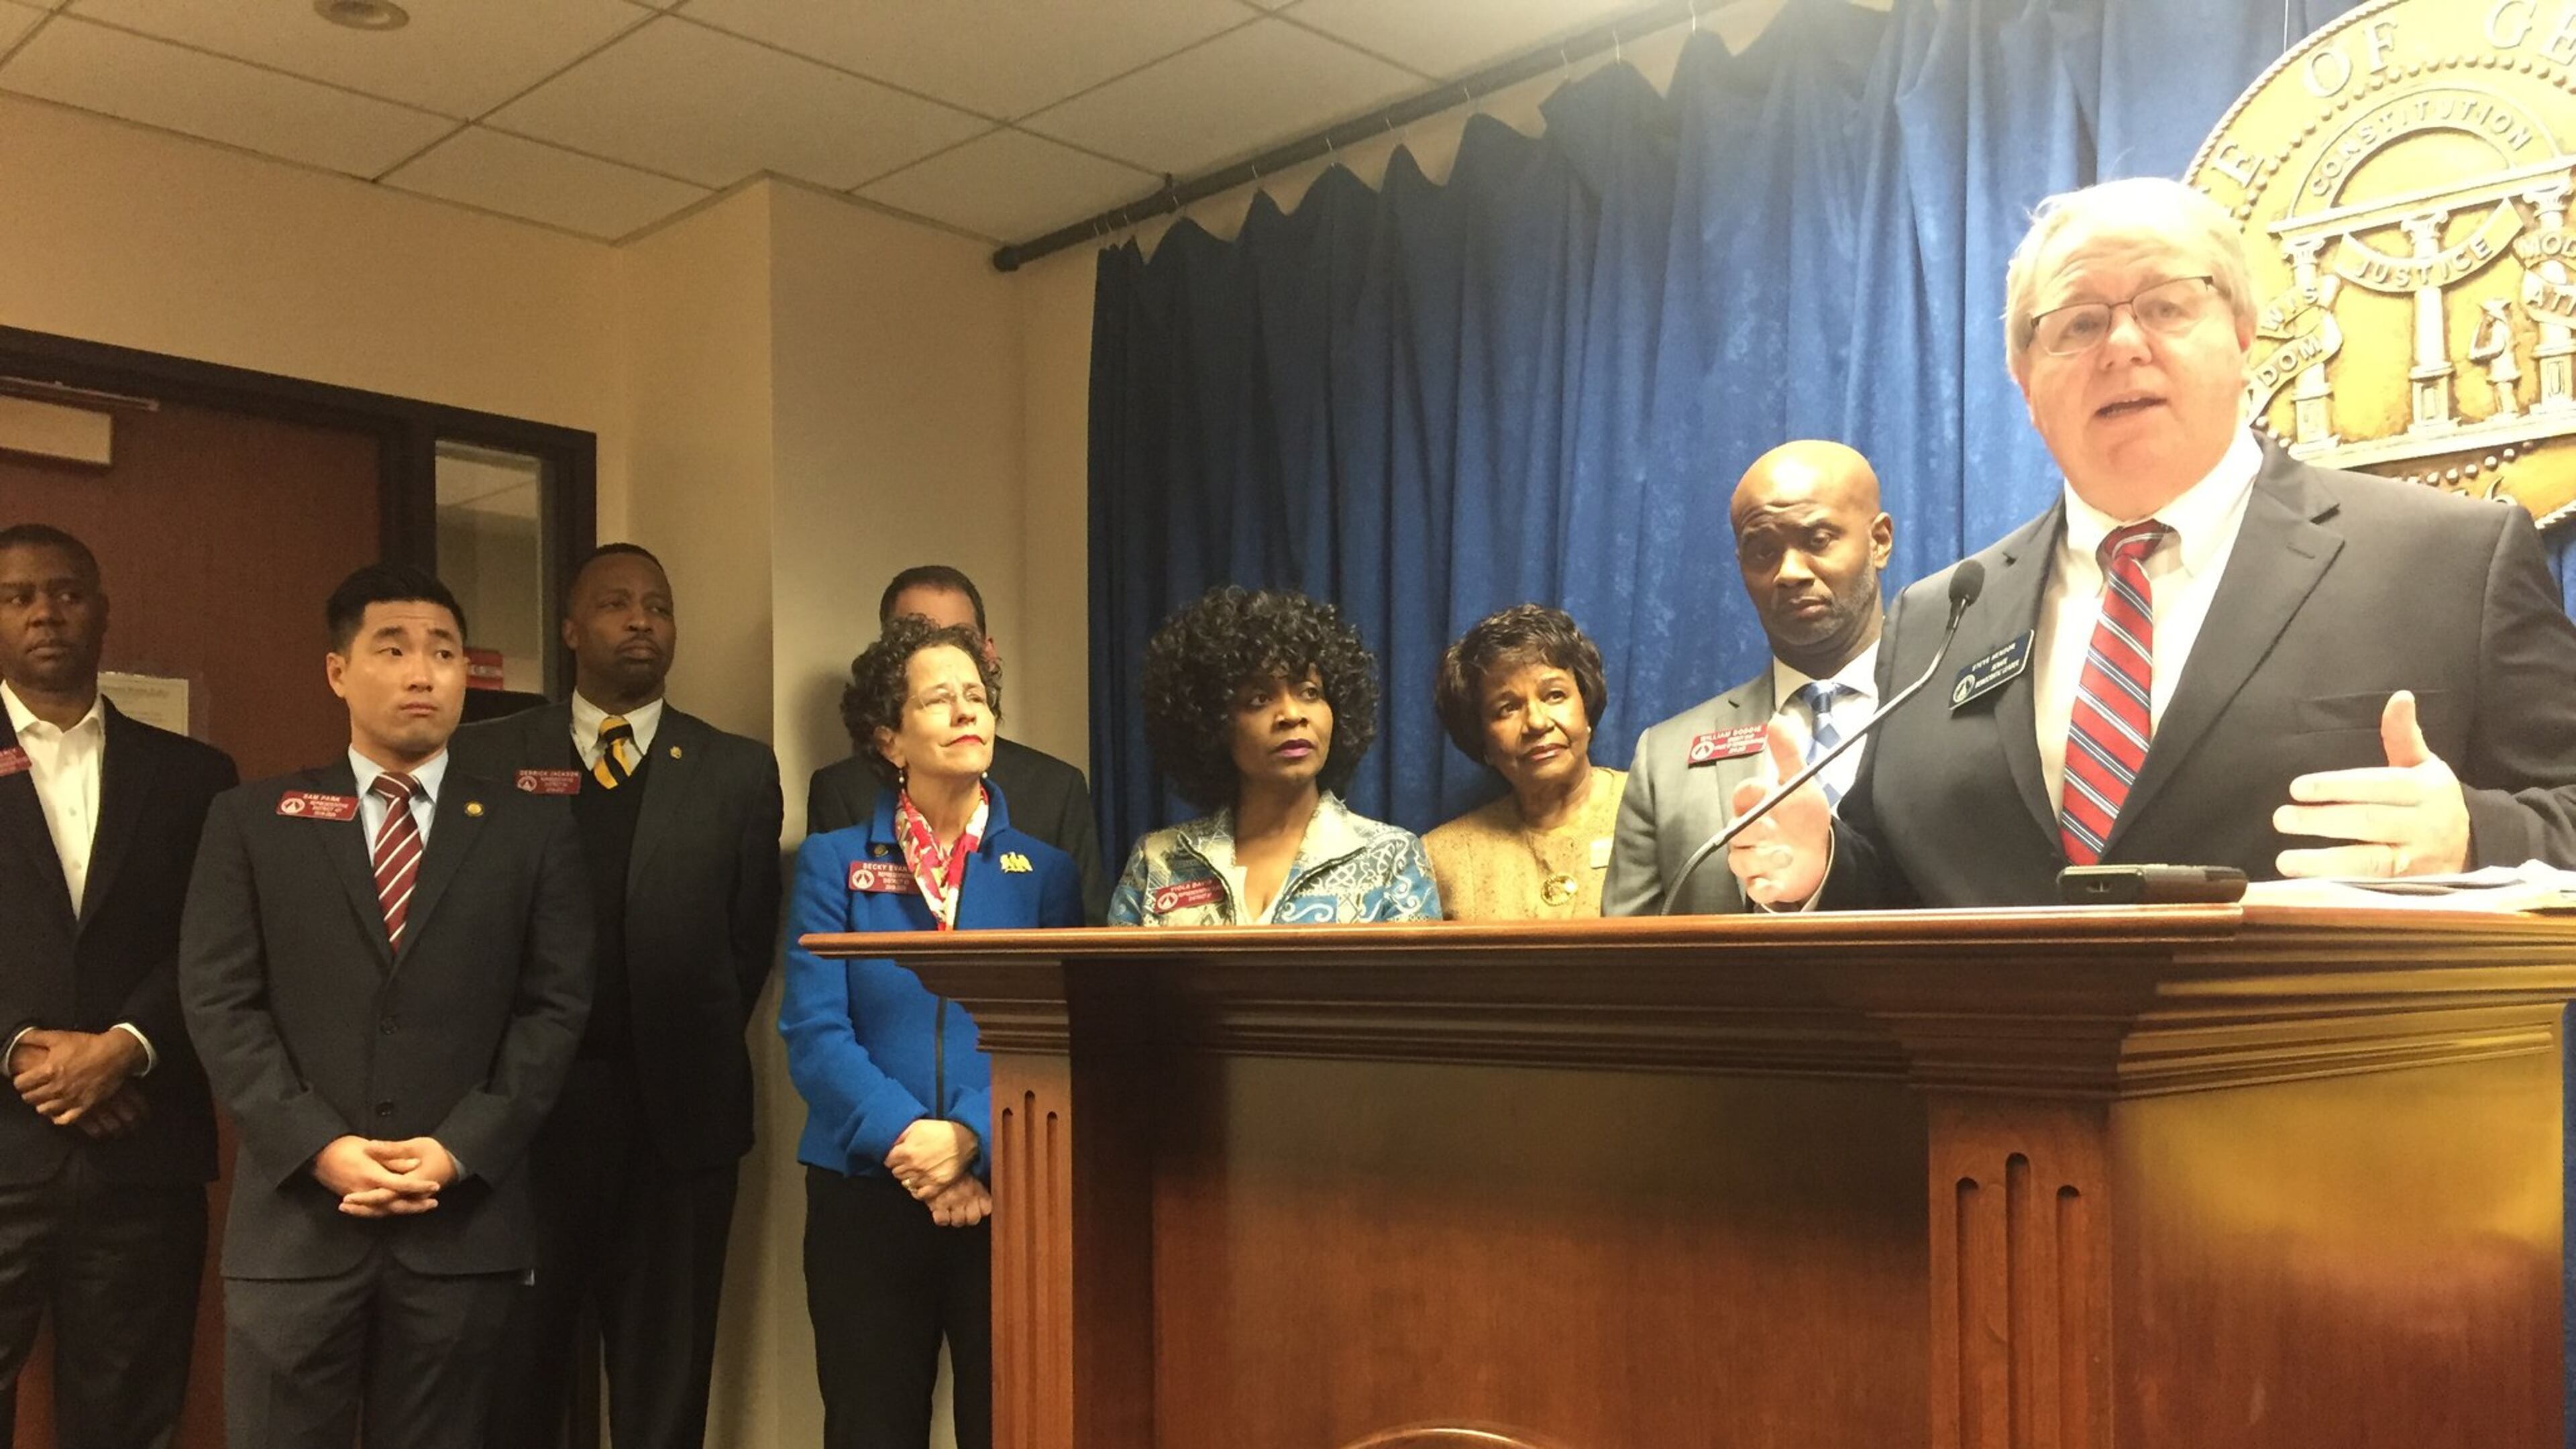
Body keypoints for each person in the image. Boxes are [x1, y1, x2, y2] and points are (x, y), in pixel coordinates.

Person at [1725, 177, 2576, 912]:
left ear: (2244, 336)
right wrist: (1825, 864)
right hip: (2007, 1097)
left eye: (2168, 306)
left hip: (2339, 1092)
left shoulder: (2450, 562)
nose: (2124, 345)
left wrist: (2474, 837)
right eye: (2077, 323)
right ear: (2024, 381)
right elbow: (1917, 884)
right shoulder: (1941, 613)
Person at [178, 564, 592, 1449]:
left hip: (463, 1228)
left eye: (444, 653)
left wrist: (458, 1151)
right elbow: (219, 1000)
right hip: (296, 1229)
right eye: (393, 649)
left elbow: (555, 1006)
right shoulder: (253, 820)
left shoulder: (529, 829)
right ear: (338, 671)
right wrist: (317, 1146)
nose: (423, 673)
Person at [460, 544, 783, 1449]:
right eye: (615, 604)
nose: (641, 621)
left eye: (659, 606)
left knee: (664, 1379)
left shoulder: (734, 770)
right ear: (571, 629)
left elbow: (745, 946)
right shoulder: (485, 757)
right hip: (524, 1125)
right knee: (517, 1373)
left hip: (676, 1123)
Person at [779, 615, 1081, 1449]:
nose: (967, 713)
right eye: (940, 699)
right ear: (889, 737)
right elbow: (813, 1029)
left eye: (978, 697)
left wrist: (972, 1140)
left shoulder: (1046, 873)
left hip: (1011, 1189)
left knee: (1015, 1426)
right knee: (871, 1425)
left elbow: (1058, 1038)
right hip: (865, 1191)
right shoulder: (832, 861)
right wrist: (913, 1143)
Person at [0, 525, 235, 1449]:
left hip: (143, 1157)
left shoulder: (193, 777)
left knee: (130, 1422)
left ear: (102, 609)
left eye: (64, 591)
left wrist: (123, 1049)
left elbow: (218, 945)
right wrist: (27, 1053)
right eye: (16, 595)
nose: (44, 612)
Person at [1603, 440, 1894, 915]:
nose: (1790, 572)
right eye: (1762, 551)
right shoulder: (1666, 757)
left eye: (1818, 540)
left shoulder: (1947, 714)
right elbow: (1630, 964)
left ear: (1879, 541)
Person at [1109, 586, 1440, 925]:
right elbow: (1119, 978)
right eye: (1259, 699)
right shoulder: (1159, 860)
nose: (1292, 714)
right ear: (1213, 724)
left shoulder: (1391, 858)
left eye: (1310, 692)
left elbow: (1413, 979)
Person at [809, 566, 1109, 922]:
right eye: (918, 636)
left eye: (958, 637)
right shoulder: (840, 808)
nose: (942, 653)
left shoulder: (1055, 794)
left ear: (987, 655)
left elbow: (1084, 962)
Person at [1422, 604, 1627, 919]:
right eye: (1507, 708)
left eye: (1554, 695)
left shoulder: (1651, 812)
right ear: (1482, 739)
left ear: (1586, 706)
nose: (1536, 722)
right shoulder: (1444, 857)